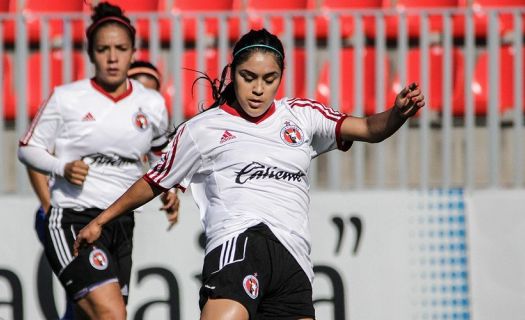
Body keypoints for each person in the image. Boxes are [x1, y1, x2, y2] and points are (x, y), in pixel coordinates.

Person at [73, 28, 425, 319]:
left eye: (269, 79)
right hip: (240, 243)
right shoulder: (203, 129)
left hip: (294, 261)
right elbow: (155, 180)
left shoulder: (302, 116)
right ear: (233, 73)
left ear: (280, 78)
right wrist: (102, 220)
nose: (258, 89)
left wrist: (397, 114)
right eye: (248, 77)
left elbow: (367, 128)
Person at [18, 2, 178, 319]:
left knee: (98, 315)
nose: (113, 56)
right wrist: (60, 168)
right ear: (91, 54)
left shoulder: (151, 102)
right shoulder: (67, 98)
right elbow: (27, 148)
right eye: (103, 49)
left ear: (133, 51)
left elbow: (162, 152)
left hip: (120, 222)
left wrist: (171, 187)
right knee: (111, 314)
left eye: (121, 48)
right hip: (73, 219)